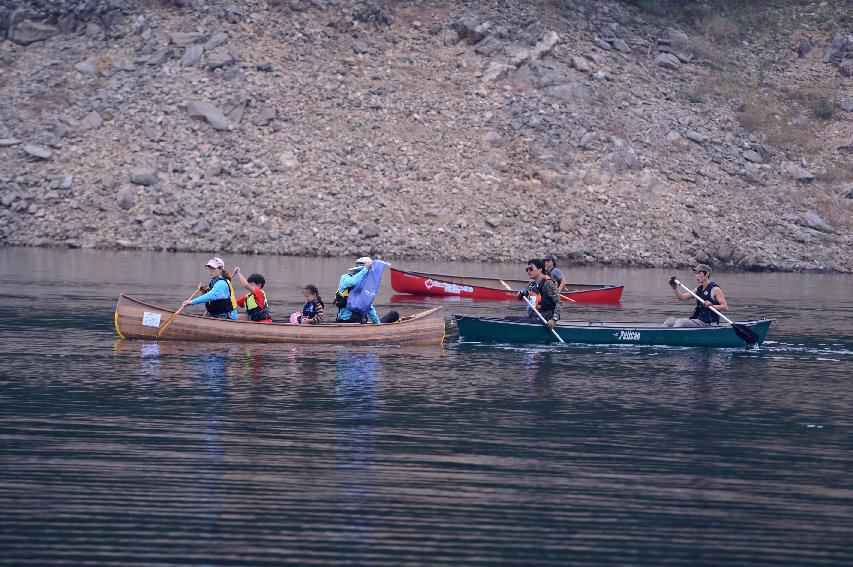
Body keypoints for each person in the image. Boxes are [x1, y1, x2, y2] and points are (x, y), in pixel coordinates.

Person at [663, 263, 729, 328]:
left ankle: (674, 335)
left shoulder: (715, 289)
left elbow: (725, 307)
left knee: (681, 322)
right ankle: (660, 335)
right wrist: (675, 288)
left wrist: (712, 306)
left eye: (699, 273)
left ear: (707, 274)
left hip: (709, 324)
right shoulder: (698, 290)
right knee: (670, 320)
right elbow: (682, 298)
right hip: (699, 321)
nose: (696, 276)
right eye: (695, 273)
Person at [517, 258, 562, 328]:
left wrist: (554, 320)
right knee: (508, 318)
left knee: (519, 322)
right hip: (533, 317)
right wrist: (521, 294)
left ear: (540, 269)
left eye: (531, 269)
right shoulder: (531, 284)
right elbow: (523, 294)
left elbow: (558, 302)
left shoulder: (547, 283)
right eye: (527, 269)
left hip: (545, 320)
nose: (528, 271)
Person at [334, 256, 381, 324]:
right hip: (344, 320)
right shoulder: (345, 278)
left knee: (394, 315)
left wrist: (377, 323)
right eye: (366, 272)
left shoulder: (364, 286)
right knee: (358, 317)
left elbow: (369, 307)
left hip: (359, 320)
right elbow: (353, 282)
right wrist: (365, 269)